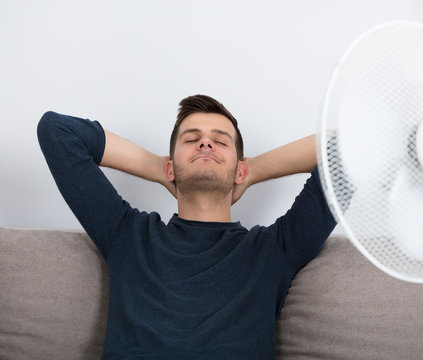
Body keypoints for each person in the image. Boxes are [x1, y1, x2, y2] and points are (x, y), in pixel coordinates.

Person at [37, 94, 336, 359]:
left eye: (220, 141)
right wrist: (160, 168)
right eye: (192, 139)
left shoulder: (275, 250)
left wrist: (252, 170)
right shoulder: (127, 234)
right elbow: (57, 130)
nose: (206, 143)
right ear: (170, 166)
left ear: (239, 169)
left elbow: (353, 147)